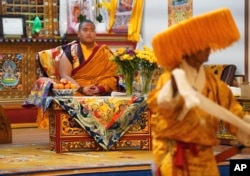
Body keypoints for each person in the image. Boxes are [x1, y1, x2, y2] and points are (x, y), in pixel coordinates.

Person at [147, 8, 250, 176]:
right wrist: (178, 85)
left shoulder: (213, 83)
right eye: (203, 45)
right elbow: (164, 102)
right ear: (189, 48)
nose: (208, 49)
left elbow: (234, 113)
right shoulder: (170, 78)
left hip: (205, 156)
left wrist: (245, 127)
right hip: (175, 156)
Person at [59, 19, 118, 96]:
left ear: (95, 33)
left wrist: (100, 88)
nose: (89, 33)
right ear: (78, 33)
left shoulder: (104, 52)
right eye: (85, 30)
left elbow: (112, 76)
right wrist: (82, 89)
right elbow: (64, 75)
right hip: (78, 90)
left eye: (92, 30)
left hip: (100, 91)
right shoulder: (71, 51)